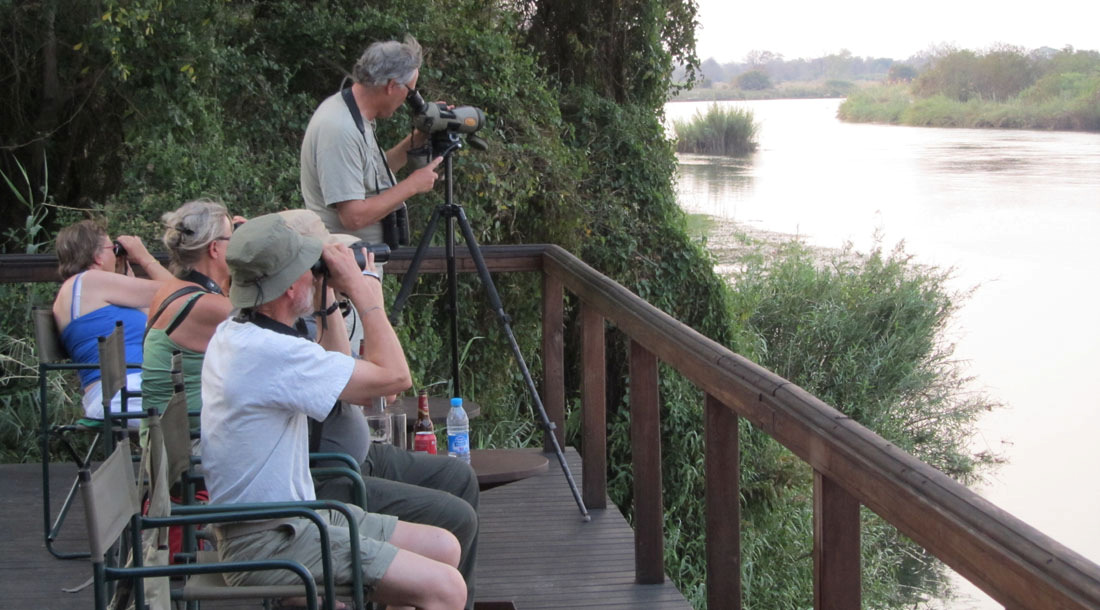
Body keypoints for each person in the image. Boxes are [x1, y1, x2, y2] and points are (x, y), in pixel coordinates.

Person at [200, 214, 465, 609]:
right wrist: (362, 291)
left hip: (295, 520)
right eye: (311, 267)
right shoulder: (271, 352)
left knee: (443, 546)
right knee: (447, 589)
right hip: (269, 541)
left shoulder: (239, 333)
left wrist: (325, 297)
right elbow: (394, 378)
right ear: (289, 287)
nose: (317, 272)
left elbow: (341, 375)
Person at [278, 210, 480, 610]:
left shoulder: (309, 312)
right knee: (455, 517)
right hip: (331, 475)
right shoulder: (285, 331)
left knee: (459, 477)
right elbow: (383, 383)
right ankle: (428, 593)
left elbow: (343, 365)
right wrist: (368, 300)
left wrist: (330, 294)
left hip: (358, 458)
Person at [300, 35, 444, 251]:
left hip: (357, 261)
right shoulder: (340, 128)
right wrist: (412, 185)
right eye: (410, 91)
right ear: (392, 86)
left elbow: (370, 175)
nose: (409, 99)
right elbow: (353, 217)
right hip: (341, 267)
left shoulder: (354, 115)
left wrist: (419, 136)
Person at [51, 219, 172, 425]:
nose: (115, 254)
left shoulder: (84, 289)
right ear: (97, 256)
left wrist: (127, 275)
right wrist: (144, 257)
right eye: (112, 249)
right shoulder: (89, 280)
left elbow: (162, 314)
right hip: (124, 393)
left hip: (123, 392)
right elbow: (178, 295)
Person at [141, 199, 235, 434]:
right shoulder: (207, 306)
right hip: (186, 447)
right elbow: (273, 322)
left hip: (164, 438)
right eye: (232, 239)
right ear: (214, 248)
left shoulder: (173, 287)